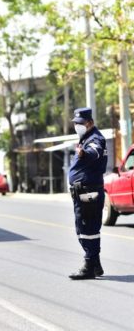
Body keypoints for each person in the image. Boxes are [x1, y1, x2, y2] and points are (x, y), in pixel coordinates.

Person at [68, 107, 108, 280]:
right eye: (75, 123)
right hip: (85, 191)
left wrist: (85, 152)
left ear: (90, 123)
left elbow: (95, 151)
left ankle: (88, 266)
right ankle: (96, 264)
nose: (77, 126)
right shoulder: (86, 138)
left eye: (80, 123)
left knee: (86, 229)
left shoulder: (94, 139)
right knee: (90, 228)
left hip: (88, 192)